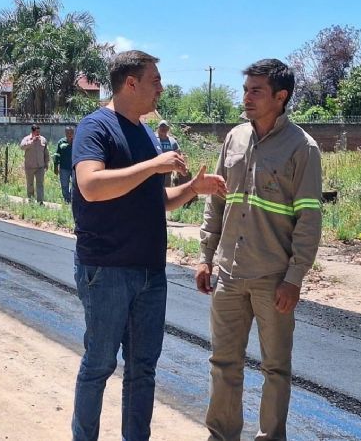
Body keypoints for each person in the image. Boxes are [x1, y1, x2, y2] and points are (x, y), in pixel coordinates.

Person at [71, 50, 226, 441]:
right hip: (106, 270)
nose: (161, 87)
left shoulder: (142, 132)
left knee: (142, 369)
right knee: (99, 364)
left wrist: (191, 189)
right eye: (155, 80)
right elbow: (90, 186)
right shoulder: (96, 128)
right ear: (131, 83)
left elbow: (154, 201)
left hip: (149, 273)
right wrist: (154, 166)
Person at [195, 59, 323, 441]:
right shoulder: (234, 139)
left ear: (280, 97)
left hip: (273, 279)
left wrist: (294, 278)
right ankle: (221, 435)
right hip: (229, 276)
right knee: (223, 363)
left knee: (275, 369)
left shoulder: (303, 148)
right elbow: (216, 203)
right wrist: (205, 257)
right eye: (246, 88)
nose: (246, 97)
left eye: (256, 91)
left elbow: (309, 220)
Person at [19, 124, 49, 203]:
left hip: (40, 167)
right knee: (30, 184)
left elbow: (46, 153)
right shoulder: (26, 139)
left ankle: (40, 202)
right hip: (29, 166)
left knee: (40, 184)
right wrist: (32, 141)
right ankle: (31, 200)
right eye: (36, 132)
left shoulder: (43, 140)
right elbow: (22, 147)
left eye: (39, 132)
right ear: (32, 132)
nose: (38, 134)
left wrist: (46, 163)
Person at [52, 126, 75, 203]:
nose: (69, 134)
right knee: (64, 185)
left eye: (71, 133)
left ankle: (72, 199)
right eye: (68, 132)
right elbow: (57, 155)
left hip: (75, 168)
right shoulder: (61, 142)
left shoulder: (76, 142)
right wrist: (55, 166)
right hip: (64, 168)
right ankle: (67, 200)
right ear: (65, 133)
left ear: (73, 133)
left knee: (75, 184)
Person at [156, 120, 181, 186]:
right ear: (158, 128)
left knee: (166, 191)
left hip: (168, 172)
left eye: (165, 127)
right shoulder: (154, 139)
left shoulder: (172, 141)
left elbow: (178, 154)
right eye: (162, 127)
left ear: (168, 129)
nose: (163, 129)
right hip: (155, 172)